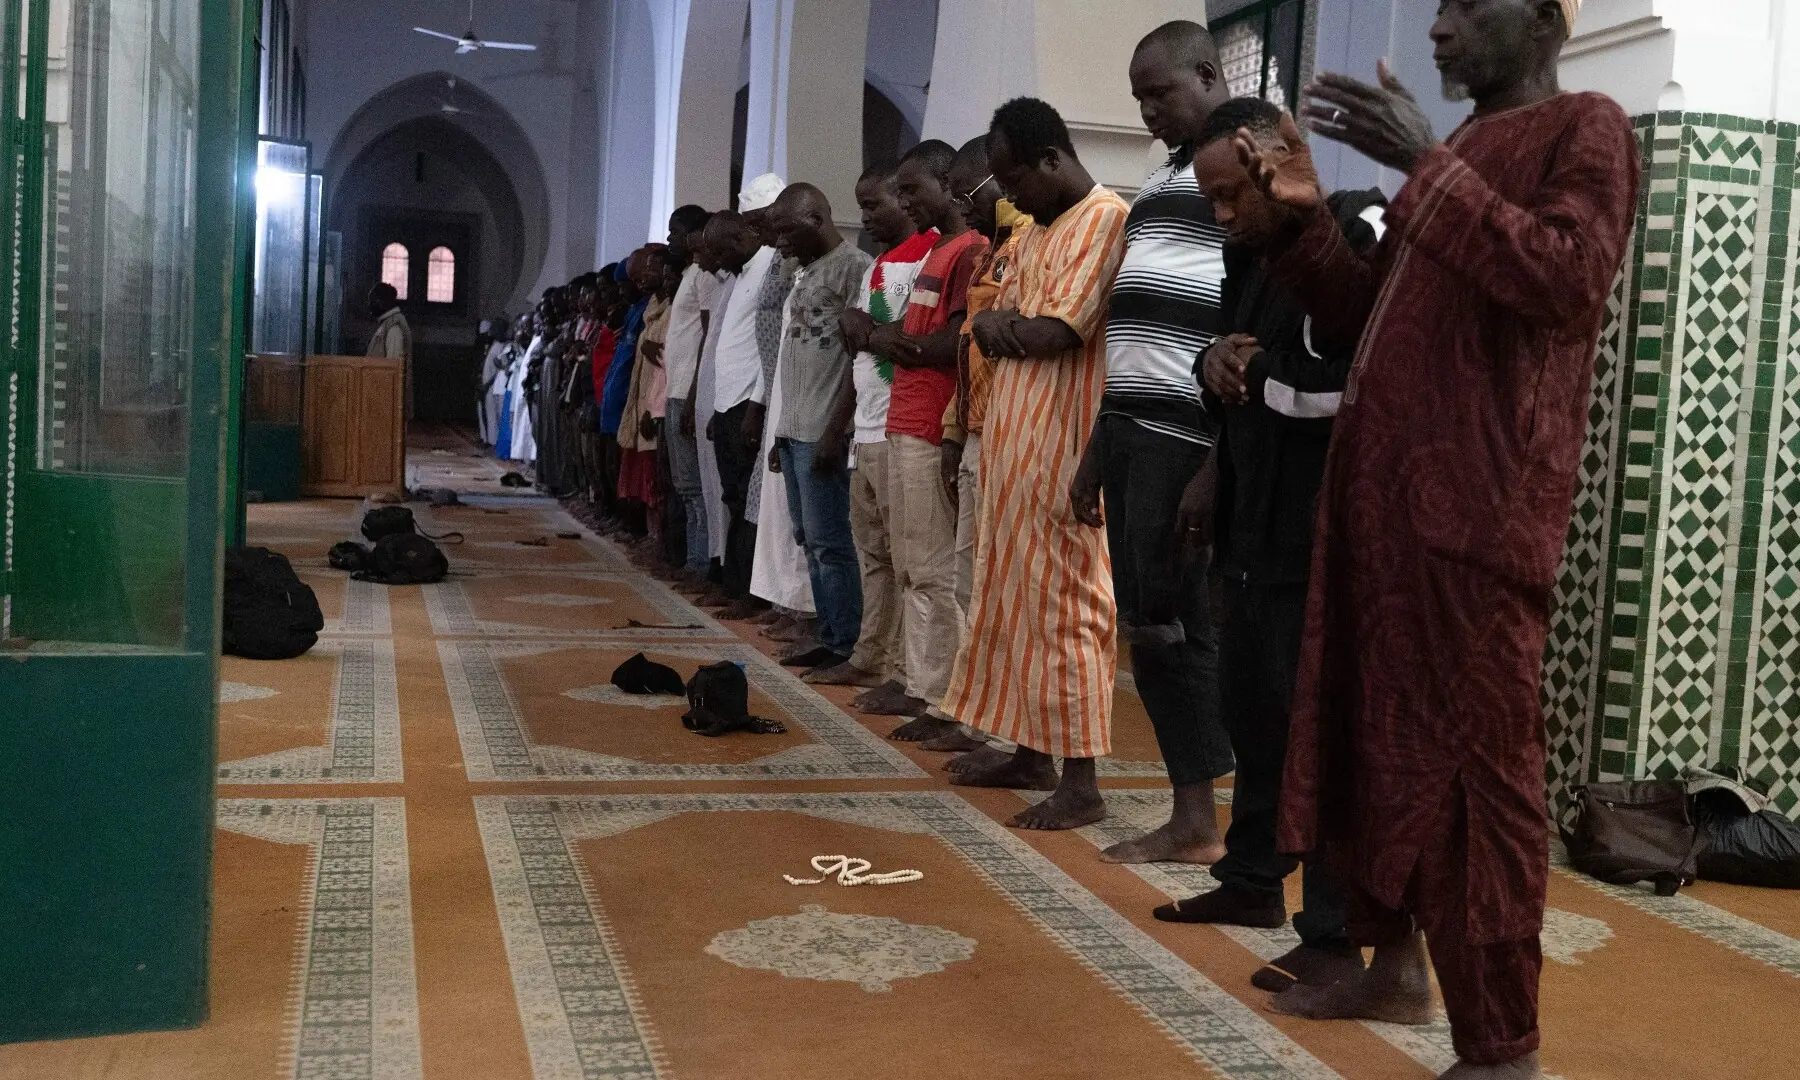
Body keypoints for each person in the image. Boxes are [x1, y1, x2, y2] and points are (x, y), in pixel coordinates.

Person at [1231, 1, 1637, 1075]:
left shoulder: (1586, 126)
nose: (1442, 26)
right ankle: (1396, 968)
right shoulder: (1460, 148)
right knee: (1379, 754)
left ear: (1546, 17)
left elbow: (1564, 276)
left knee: (1475, 786)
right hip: (1383, 515)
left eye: (1466, 3)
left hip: (1477, 521)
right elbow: (1374, 314)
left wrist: (1423, 164)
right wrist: (1296, 228)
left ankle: (1502, 1046)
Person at [1150, 96, 1386, 999]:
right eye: (1208, 198)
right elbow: (1232, 360)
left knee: (1314, 731)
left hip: (1321, 524)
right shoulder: (1244, 248)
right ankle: (1251, 880)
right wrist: (1213, 370)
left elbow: (1355, 379)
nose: (1219, 216)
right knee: (1250, 707)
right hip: (1250, 511)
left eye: (1227, 195)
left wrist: (1260, 380)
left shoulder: (1357, 224)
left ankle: (1333, 934)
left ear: (1276, 160)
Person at [1064, 19, 1239, 863]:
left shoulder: (1249, 158)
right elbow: (1131, 323)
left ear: (1207, 74)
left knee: (1176, 624)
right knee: (1151, 621)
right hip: (1134, 428)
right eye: (1137, 100)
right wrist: (1098, 449)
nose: (1146, 114)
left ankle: (1198, 820)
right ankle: (1193, 810)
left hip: (1187, 433)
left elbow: (1255, 308)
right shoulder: (1166, 172)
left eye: (1157, 94)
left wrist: (1217, 455)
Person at [942, 98, 1129, 830]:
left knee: (1065, 609)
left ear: (1052, 158)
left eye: (1014, 179)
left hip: (1064, 451)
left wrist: (999, 326)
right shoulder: (1040, 229)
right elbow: (999, 319)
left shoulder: (1106, 219)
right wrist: (1000, 325)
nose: (1008, 197)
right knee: (1009, 596)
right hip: (1013, 446)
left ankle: (1080, 780)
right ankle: (1029, 751)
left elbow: (1053, 331)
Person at [866, 139, 989, 736]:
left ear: (948, 184)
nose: (905, 201)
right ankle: (921, 684)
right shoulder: (938, 251)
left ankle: (942, 698)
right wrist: (896, 342)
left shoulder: (970, 250)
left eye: (914, 189)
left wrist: (893, 344)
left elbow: (958, 341)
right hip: (904, 421)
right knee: (914, 566)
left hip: (931, 421)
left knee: (937, 572)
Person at [807, 165, 936, 692]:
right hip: (866, 427)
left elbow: (906, 336)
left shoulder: (931, 255)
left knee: (914, 564)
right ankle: (871, 656)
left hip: (900, 424)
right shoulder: (879, 263)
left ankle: (910, 674)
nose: (865, 215)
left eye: (876, 202)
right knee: (875, 556)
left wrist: (867, 330)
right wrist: (839, 426)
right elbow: (852, 339)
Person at [935, 138, 1032, 768]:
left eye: (969, 193)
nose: (962, 208)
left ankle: (1003, 732)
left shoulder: (1029, 244)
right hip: (973, 433)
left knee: (1002, 588)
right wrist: (952, 433)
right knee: (969, 582)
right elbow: (972, 348)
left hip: (1010, 436)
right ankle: (975, 716)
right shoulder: (993, 252)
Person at [765, 182, 874, 675]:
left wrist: (836, 430)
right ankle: (828, 633)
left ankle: (846, 644)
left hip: (823, 430)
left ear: (816, 218)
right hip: (794, 429)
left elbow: (859, 360)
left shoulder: (854, 269)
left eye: (788, 231)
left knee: (832, 542)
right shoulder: (804, 271)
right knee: (809, 538)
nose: (781, 243)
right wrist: (780, 432)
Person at [700, 208, 784, 617]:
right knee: (733, 497)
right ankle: (735, 585)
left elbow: (767, 348)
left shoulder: (770, 263)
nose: (716, 261)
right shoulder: (741, 274)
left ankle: (750, 591)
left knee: (750, 504)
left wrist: (755, 406)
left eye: (720, 251)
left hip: (750, 406)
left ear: (740, 239)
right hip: (727, 403)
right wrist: (718, 408)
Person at [661, 205, 719, 584]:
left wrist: (696, 394)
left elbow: (707, 336)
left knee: (694, 485)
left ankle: (700, 563)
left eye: (675, 232)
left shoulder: (703, 277)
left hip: (689, 389)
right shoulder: (690, 274)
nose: (670, 240)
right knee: (684, 484)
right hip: (676, 387)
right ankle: (691, 560)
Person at [366, 282, 413, 421]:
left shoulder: (394, 327)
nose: (370, 306)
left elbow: (393, 369)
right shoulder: (388, 324)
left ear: (382, 302)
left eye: (372, 302)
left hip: (387, 403)